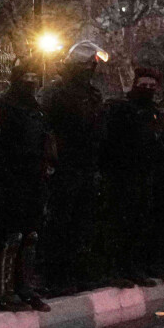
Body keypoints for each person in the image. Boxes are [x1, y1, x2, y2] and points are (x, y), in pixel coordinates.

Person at [39, 40, 108, 293]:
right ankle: (55, 276)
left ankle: (76, 272)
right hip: (65, 168)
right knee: (60, 223)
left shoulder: (92, 94)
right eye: (91, 63)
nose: (94, 68)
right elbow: (45, 128)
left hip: (86, 167)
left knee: (81, 223)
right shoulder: (55, 92)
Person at [0, 59, 50, 311]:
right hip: (9, 180)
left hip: (33, 180)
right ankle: (3, 291)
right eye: (26, 76)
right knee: (9, 236)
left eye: (35, 76)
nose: (31, 81)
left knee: (30, 235)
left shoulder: (37, 109)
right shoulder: (1, 105)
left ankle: (24, 287)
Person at [102, 63, 164, 285]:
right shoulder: (122, 109)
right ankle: (117, 270)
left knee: (141, 223)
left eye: (152, 85)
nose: (148, 88)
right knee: (121, 224)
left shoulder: (153, 112)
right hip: (123, 177)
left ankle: (134, 267)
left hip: (145, 176)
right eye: (144, 84)